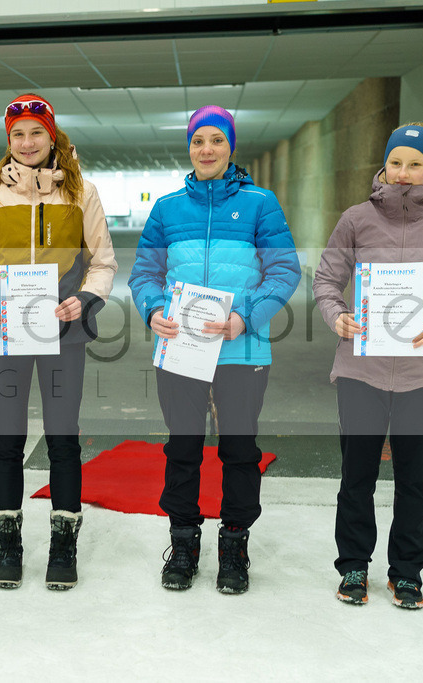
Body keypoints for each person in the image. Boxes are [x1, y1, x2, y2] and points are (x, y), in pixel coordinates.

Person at [128, 106, 300, 595]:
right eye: (198, 141)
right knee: (182, 448)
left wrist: (245, 316)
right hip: (181, 349)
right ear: (189, 147)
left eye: (217, 140)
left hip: (241, 349)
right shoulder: (167, 208)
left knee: (240, 451)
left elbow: (284, 269)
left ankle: (234, 546)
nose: (207, 149)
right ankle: (183, 543)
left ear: (231, 146)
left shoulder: (260, 203)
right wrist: (153, 309)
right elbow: (144, 273)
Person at [313, 123, 423, 609]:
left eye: (415, 164)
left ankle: (406, 572)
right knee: (356, 476)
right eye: (395, 162)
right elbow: (326, 279)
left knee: (414, 480)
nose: (403, 173)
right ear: (384, 164)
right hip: (361, 370)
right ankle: (353, 565)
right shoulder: (356, 219)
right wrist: (337, 315)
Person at [0, 94, 117, 591]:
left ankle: (63, 546)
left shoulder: (81, 193)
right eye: (17, 135)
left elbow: (103, 263)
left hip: (62, 335)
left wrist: (84, 301)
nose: (27, 143)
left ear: (52, 136)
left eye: (36, 133)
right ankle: (8, 545)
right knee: (7, 441)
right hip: (3, 335)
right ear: (8, 140)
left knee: (63, 439)